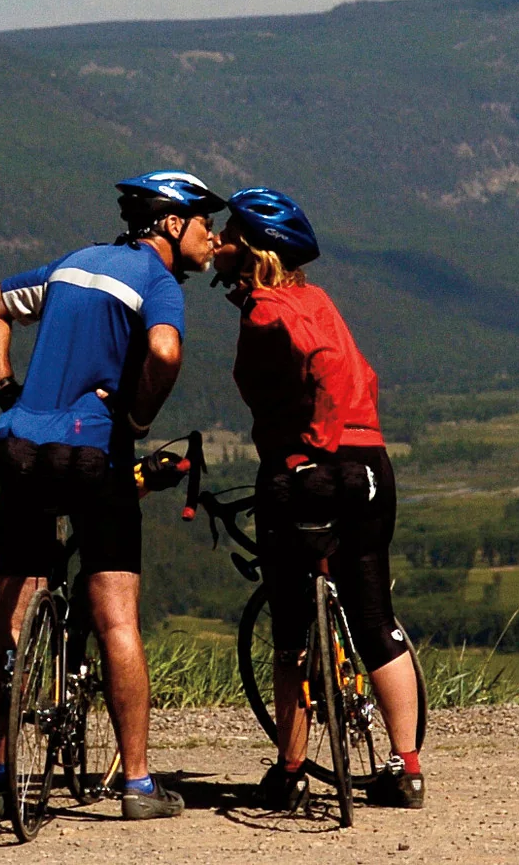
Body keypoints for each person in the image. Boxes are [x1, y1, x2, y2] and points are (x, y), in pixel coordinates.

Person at [0, 169, 224, 822]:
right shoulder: (156, 280)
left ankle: (1, 770)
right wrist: (137, 420)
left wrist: (9, 393)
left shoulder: (74, 264)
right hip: (91, 452)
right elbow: (164, 350)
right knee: (116, 614)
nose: (213, 234)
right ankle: (137, 784)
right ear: (170, 223)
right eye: (204, 220)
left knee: (14, 610)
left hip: (23, 445)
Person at [211, 187, 426, 812]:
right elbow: (364, 374)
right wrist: (346, 443)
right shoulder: (318, 299)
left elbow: (330, 366)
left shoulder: (265, 311)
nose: (218, 243)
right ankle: (407, 769)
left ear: (251, 252)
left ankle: (291, 768)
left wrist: (313, 448)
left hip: (307, 467)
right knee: (374, 616)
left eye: (228, 236)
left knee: (291, 634)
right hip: (371, 466)